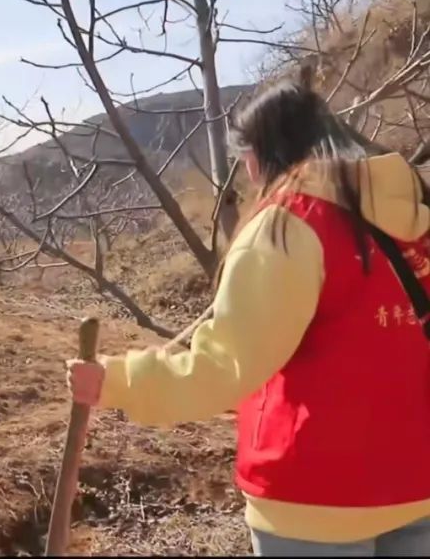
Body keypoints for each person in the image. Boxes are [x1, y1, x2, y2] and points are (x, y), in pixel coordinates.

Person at [65, 73, 430, 556]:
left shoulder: (290, 226)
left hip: (315, 499)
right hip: (418, 483)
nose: (250, 175)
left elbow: (225, 366)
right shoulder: (415, 213)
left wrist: (117, 382)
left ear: (263, 154)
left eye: (247, 160)